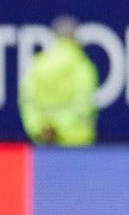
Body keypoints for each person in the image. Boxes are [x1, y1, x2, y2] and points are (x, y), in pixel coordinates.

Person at [19, 17, 99, 146]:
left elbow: (28, 102)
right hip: (77, 143)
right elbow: (84, 104)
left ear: (54, 37)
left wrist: (41, 128)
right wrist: (58, 126)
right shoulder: (82, 65)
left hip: (44, 142)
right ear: (75, 37)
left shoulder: (38, 64)